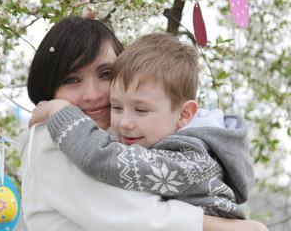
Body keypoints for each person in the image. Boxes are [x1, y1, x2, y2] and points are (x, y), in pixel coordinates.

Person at [22, 16, 268, 231]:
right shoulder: (54, 135)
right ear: (50, 86)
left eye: (105, 74)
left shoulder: (162, 140)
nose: (92, 94)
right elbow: (133, 217)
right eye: (72, 79)